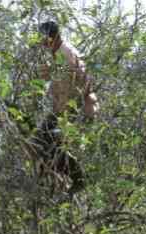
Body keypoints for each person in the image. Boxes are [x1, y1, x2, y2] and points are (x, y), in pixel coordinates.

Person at [34, 20, 99, 194]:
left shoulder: (67, 54)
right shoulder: (57, 54)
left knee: (46, 143)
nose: (41, 43)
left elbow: (83, 82)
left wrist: (87, 109)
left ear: (50, 38)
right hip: (60, 109)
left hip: (69, 110)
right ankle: (54, 178)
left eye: (42, 39)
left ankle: (77, 178)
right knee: (40, 143)